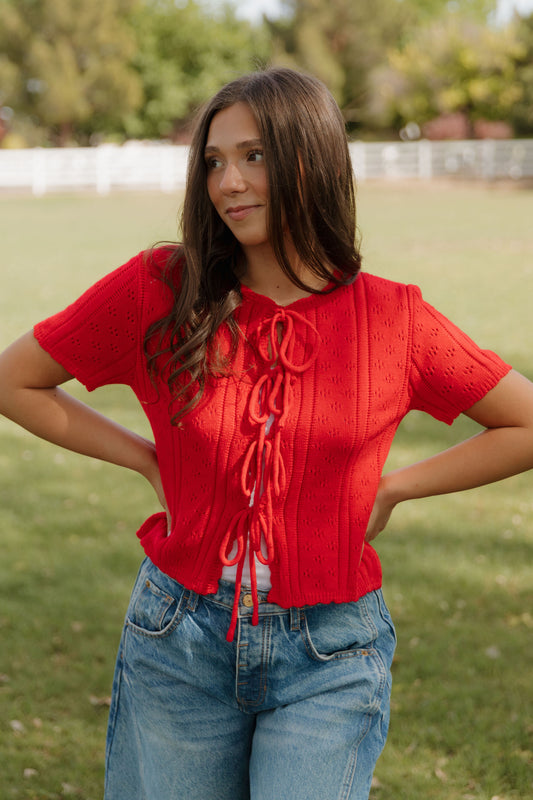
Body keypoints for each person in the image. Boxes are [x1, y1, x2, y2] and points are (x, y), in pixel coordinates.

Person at [1, 67, 533, 800]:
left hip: (331, 651)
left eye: (254, 156)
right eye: (214, 161)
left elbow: (524, 422)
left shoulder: (393, 320)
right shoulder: (161, 288)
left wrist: (399, 487)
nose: (228, 183)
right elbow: (14, 380)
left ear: (309, 158)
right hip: (177, 643)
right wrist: (145, 461)